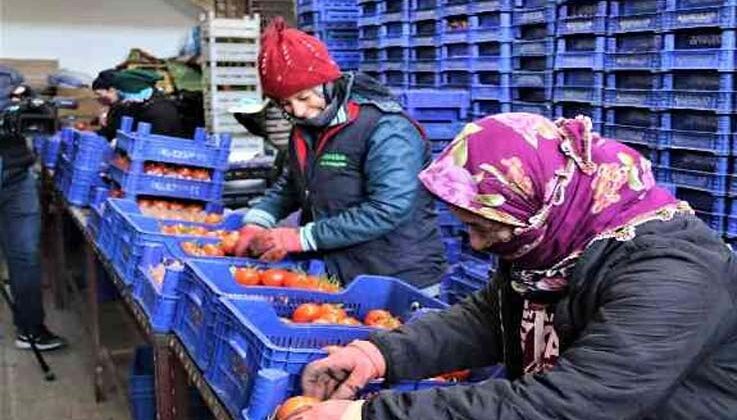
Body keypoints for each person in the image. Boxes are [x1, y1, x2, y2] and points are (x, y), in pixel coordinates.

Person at [290, 113, 737, 419]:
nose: (475, 242)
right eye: (468, 225)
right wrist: (379, 354)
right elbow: (489, 320)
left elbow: (573, 406)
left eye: (485, 227)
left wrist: (370, 413)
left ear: (540, 204)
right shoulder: (549, 245)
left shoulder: (673, 276)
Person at [234, 18, 446, 290]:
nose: (298, 111)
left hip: (398, 278)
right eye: (285, 104)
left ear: (327, 83)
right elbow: (293, 185)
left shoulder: (386, 128)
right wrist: (256, 221)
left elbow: (388, 208)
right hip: (338, 274)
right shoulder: (305, 128)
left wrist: (300, 238)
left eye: (304, 97)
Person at [0, 68, 67, 350]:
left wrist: (28, 102)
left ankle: (30, 329)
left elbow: (40, 119)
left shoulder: (8, 76)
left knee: (26, 255)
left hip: (16, 178)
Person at [99, 69, 185, 141]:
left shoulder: (162, 110)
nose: (126, 98)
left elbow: (155, 143)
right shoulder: (140, 105)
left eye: (127, 92)